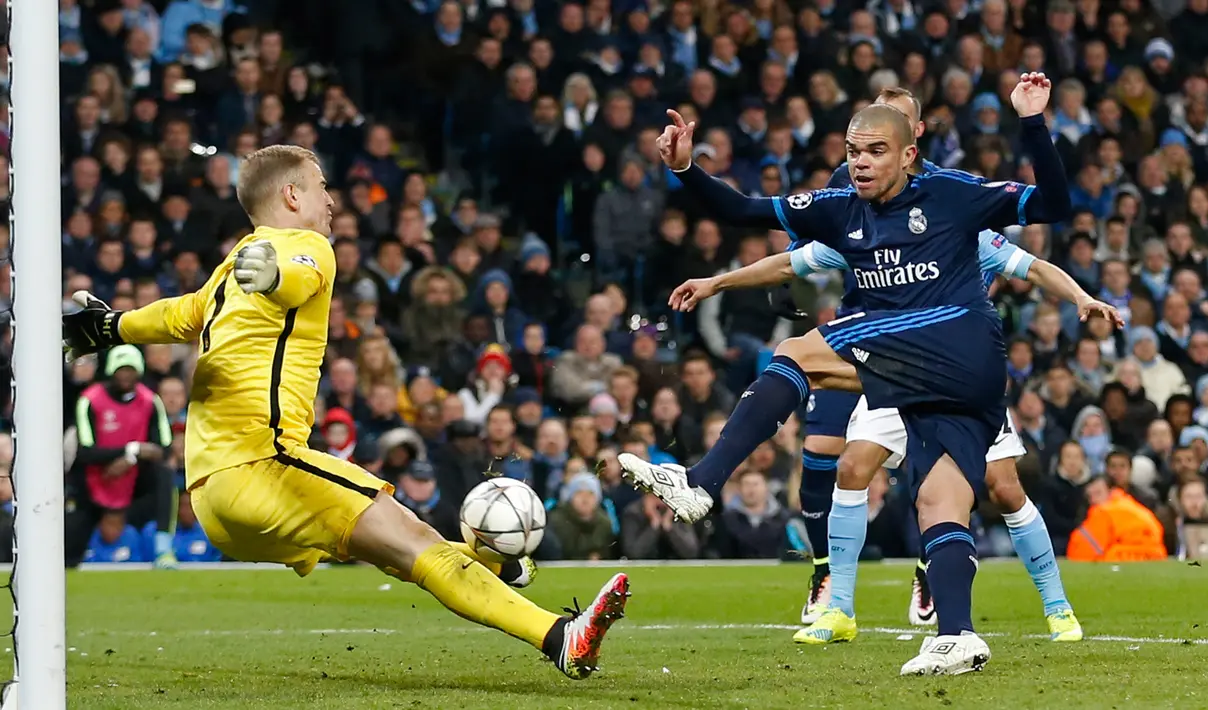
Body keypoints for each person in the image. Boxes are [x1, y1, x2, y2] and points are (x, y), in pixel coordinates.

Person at [61, 144, 629, 681]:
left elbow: (183, 314)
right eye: (321, 187)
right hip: (267, 466)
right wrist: (279, 279)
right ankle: (561, 638)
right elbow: (299, 273)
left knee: (399, 550)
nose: (331, 200)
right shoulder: (303, 248)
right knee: (413, 543)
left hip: (213, 499)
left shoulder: (234, 265)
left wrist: (112, 327)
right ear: (290, 196)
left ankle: (497, 565)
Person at [611, 74, 1070, 675]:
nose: (861, 162)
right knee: (938, 504)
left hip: (952, 341)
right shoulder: (838, 210)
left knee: (798, 352)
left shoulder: (954, 194)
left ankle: (701, 482)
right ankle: (957, 635)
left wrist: (1033, 122)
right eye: (853, 151)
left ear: (910, 154)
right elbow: (743, 211)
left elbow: (1055, 205)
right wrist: (685, 169)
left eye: (876, 151)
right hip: (958, 381)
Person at [66, 345, 177, 569]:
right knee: (70, 556)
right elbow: (86, 451)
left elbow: (163, 447)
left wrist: (131, 457)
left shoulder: (150, 401)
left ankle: (163, 547)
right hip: (96, 480)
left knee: (164, 474)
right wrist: (133, 449)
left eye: (131, 370)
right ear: (111, 371)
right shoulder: (90, 400)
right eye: (121, 370)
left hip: (133, 481)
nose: (126, 375)